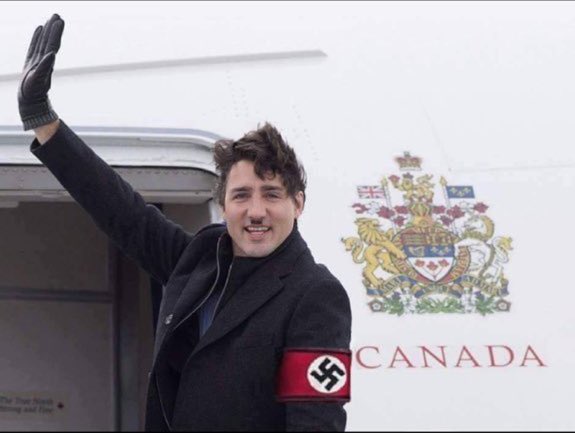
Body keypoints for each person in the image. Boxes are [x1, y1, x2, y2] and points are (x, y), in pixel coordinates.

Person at [18, 14, 352, 431]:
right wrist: (43, 121)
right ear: (224, 205)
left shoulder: (315, 295)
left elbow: (315, 424)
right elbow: (121, 212)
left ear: (298, 203)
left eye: (271, 194)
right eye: (241, 195)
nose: (256, 211)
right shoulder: (199, 261)